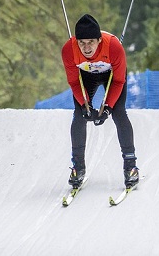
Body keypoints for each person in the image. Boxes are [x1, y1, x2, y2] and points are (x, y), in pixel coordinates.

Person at [61, 13, 139, 188]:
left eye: (91, 42)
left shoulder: (114, 47)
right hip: (85, 76)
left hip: (112, 76)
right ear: (76, 41)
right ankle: (78, 168)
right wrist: (85, 104)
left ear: (99, 40)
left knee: (119, 113)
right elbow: (74, 81)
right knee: (80, 115)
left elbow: (119, 81)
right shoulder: (69, 50)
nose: (86, 48)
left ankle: (130, 166)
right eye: (82, 43)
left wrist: (108, 107)